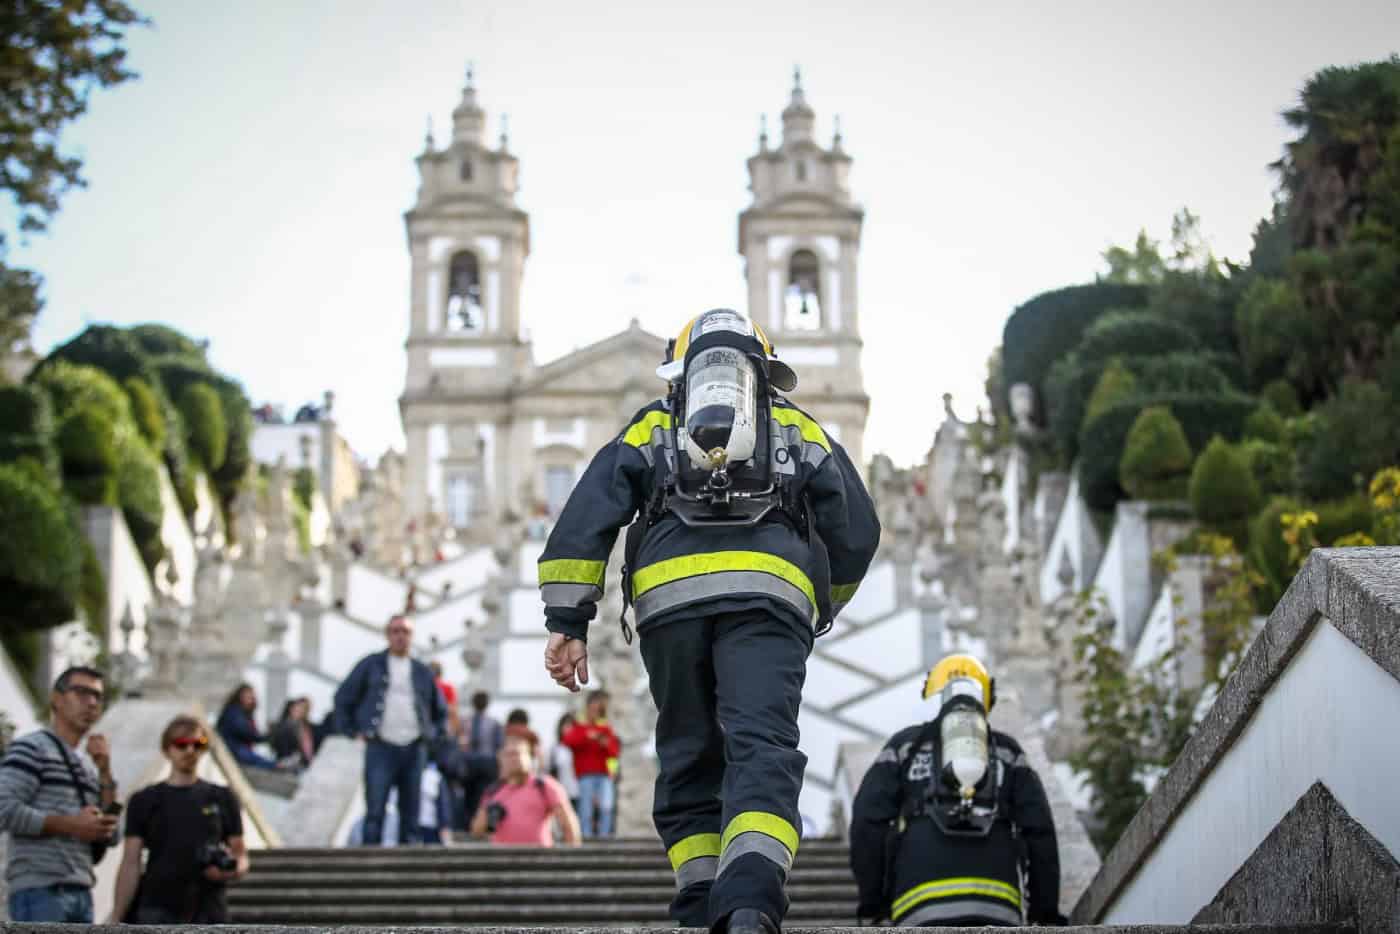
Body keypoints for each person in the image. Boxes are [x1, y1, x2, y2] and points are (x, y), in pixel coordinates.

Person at [541, 309, 880, 933]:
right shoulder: (795, 426)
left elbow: (586, 515)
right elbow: (857, 530)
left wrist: (567, 619)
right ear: (765, 372)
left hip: (669, 607)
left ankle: (699, 906)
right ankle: (748, 904)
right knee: (760, 751)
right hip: (768, 603)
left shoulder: (652, 426)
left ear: (680, 374)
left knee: (689, 755)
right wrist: (817, 602)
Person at [849, 655, 1063, 927]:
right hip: (997, 903)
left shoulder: (905, 747)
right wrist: (1045, 914)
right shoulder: (1007, 752)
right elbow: (1040, 831)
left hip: (917, 903)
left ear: (939, 694)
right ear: (987, 696)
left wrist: (873, 905)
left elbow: (867, 823)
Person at [0, 666, 119, 923]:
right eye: (82, 692)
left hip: (82, 890)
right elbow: (4, 810)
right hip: (39, 889)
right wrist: (73, 826)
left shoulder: (90, 766)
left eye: (98, 696)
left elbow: (112, 836)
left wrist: (106, 773)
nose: (91, 702)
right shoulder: (31, 748)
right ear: (56, 698)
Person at [108, 716, 249, 923]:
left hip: (208, 908)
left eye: (198, 744)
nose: (190, 751)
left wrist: (230, 870)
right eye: (181, 744)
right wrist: (117, 916)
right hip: (157, 907)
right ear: (167, 749)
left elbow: (240, 853)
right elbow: (131, 861)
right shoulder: (144, 800)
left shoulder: (223, 797)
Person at [334, 614, 448, 845]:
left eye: (405, 631)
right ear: (388, 635)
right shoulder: (370, 665)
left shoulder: (422, 671)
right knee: (375, 810)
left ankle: (411, 872)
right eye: (395, 631)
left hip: (414, 747)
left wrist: (432, 737)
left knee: (411, 814)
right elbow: (343, 697)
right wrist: (352, 730)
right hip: (380, 745)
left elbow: (441, 711)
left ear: (411, 637)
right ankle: (369, 870)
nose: (400, 636)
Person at [470, 734, 580, 847]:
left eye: (517, 753)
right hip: (503, 862)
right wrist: (488, 816)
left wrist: (570, 859)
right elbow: (476, 831)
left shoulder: (544, 785)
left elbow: (568, 825)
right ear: (500, 759)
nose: (513, 759)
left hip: (540, 861)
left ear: (529, 757)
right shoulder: (493, 791)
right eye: (508, 755)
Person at [560, 690, 620, 838]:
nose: (594, 713)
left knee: (606, 807)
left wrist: (603, 742)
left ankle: (604, 836)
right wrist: (588, 736)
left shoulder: (605, 729)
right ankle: (585, 835)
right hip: (585, 774)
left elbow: (614, 752)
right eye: (591, 709)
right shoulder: (579, 728)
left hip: (604, 774)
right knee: (585, 807)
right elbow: (568, 741)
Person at [216, 684, 276, 770]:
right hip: (232, 749)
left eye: (252, 697)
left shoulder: (244, 713)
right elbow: (247, 733)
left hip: (239, 749)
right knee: (263, 762)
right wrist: (266, 737)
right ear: (240, 697)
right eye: (248, 697)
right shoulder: (234, 712)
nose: (251, 700)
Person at [269, 697, 316, 770]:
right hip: (290, 765)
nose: (302, 711)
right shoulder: (285, 726)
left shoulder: (305, 727)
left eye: (305, 708)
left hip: (304, 764)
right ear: (291, 709)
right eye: (299, 708)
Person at [548, 713, 580, 815]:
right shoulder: (556, 748)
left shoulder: (581, 748)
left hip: (579, 791)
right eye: (566, 726)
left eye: (571, 726)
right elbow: (551, 770)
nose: (568, 729)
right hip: (562, 791)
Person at [429, 661, 462, 737]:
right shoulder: (447, 688)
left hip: (428, 728)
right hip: (444, 728)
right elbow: (453, 711)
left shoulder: (424, 689)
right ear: (441, 673)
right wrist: (458, 732)